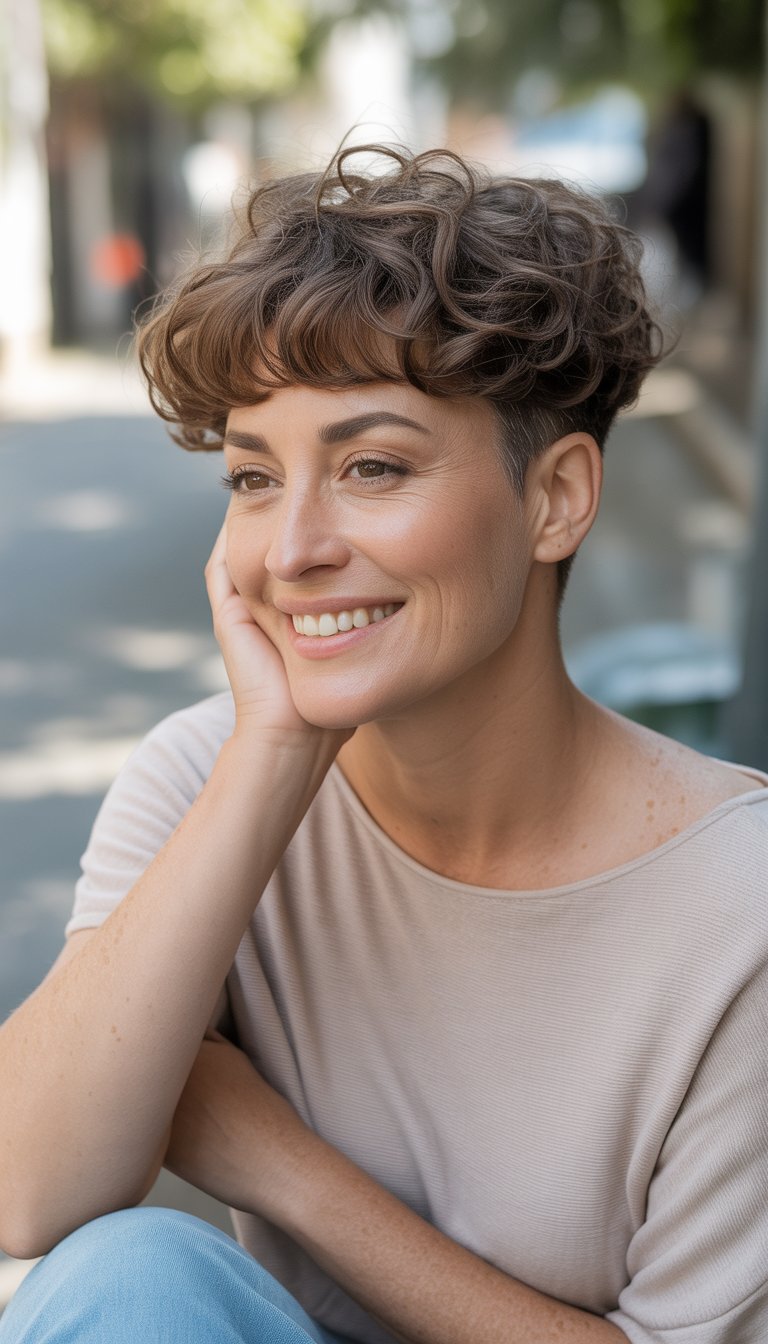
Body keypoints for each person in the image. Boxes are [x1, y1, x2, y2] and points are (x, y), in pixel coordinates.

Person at [1, 144, 766, 1344]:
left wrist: (277, 1162)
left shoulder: (740, 914)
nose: (292, 547)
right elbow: (27, 1191)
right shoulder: (209, 775)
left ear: (556, 497)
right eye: (254, 479)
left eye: (371, 466)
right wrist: (270, 759)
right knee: (129, 1275)